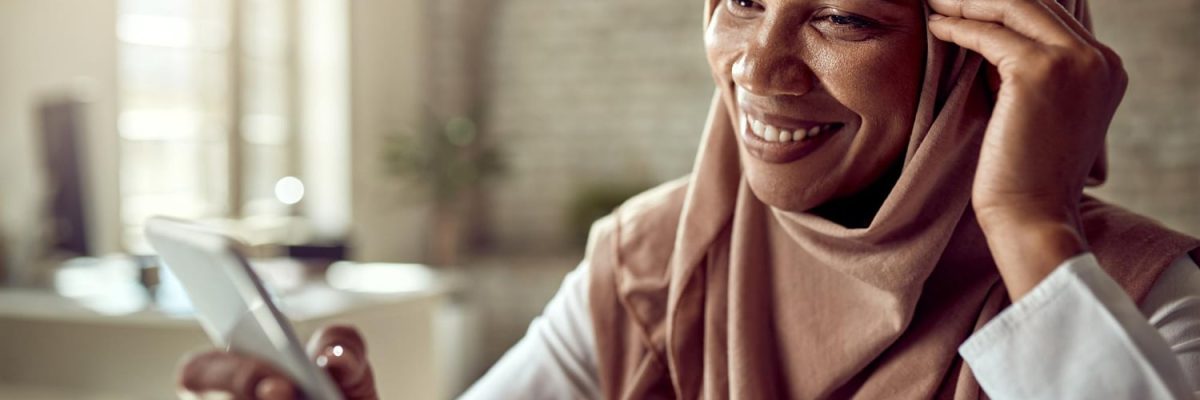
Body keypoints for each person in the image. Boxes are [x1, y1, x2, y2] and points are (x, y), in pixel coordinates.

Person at [177, 0, 1200, 398]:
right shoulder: (653, 259)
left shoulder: (1143, 298)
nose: (758, 63)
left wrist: (1029, 222)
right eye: (743, 0)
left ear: (980, 55)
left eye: (842, 18)